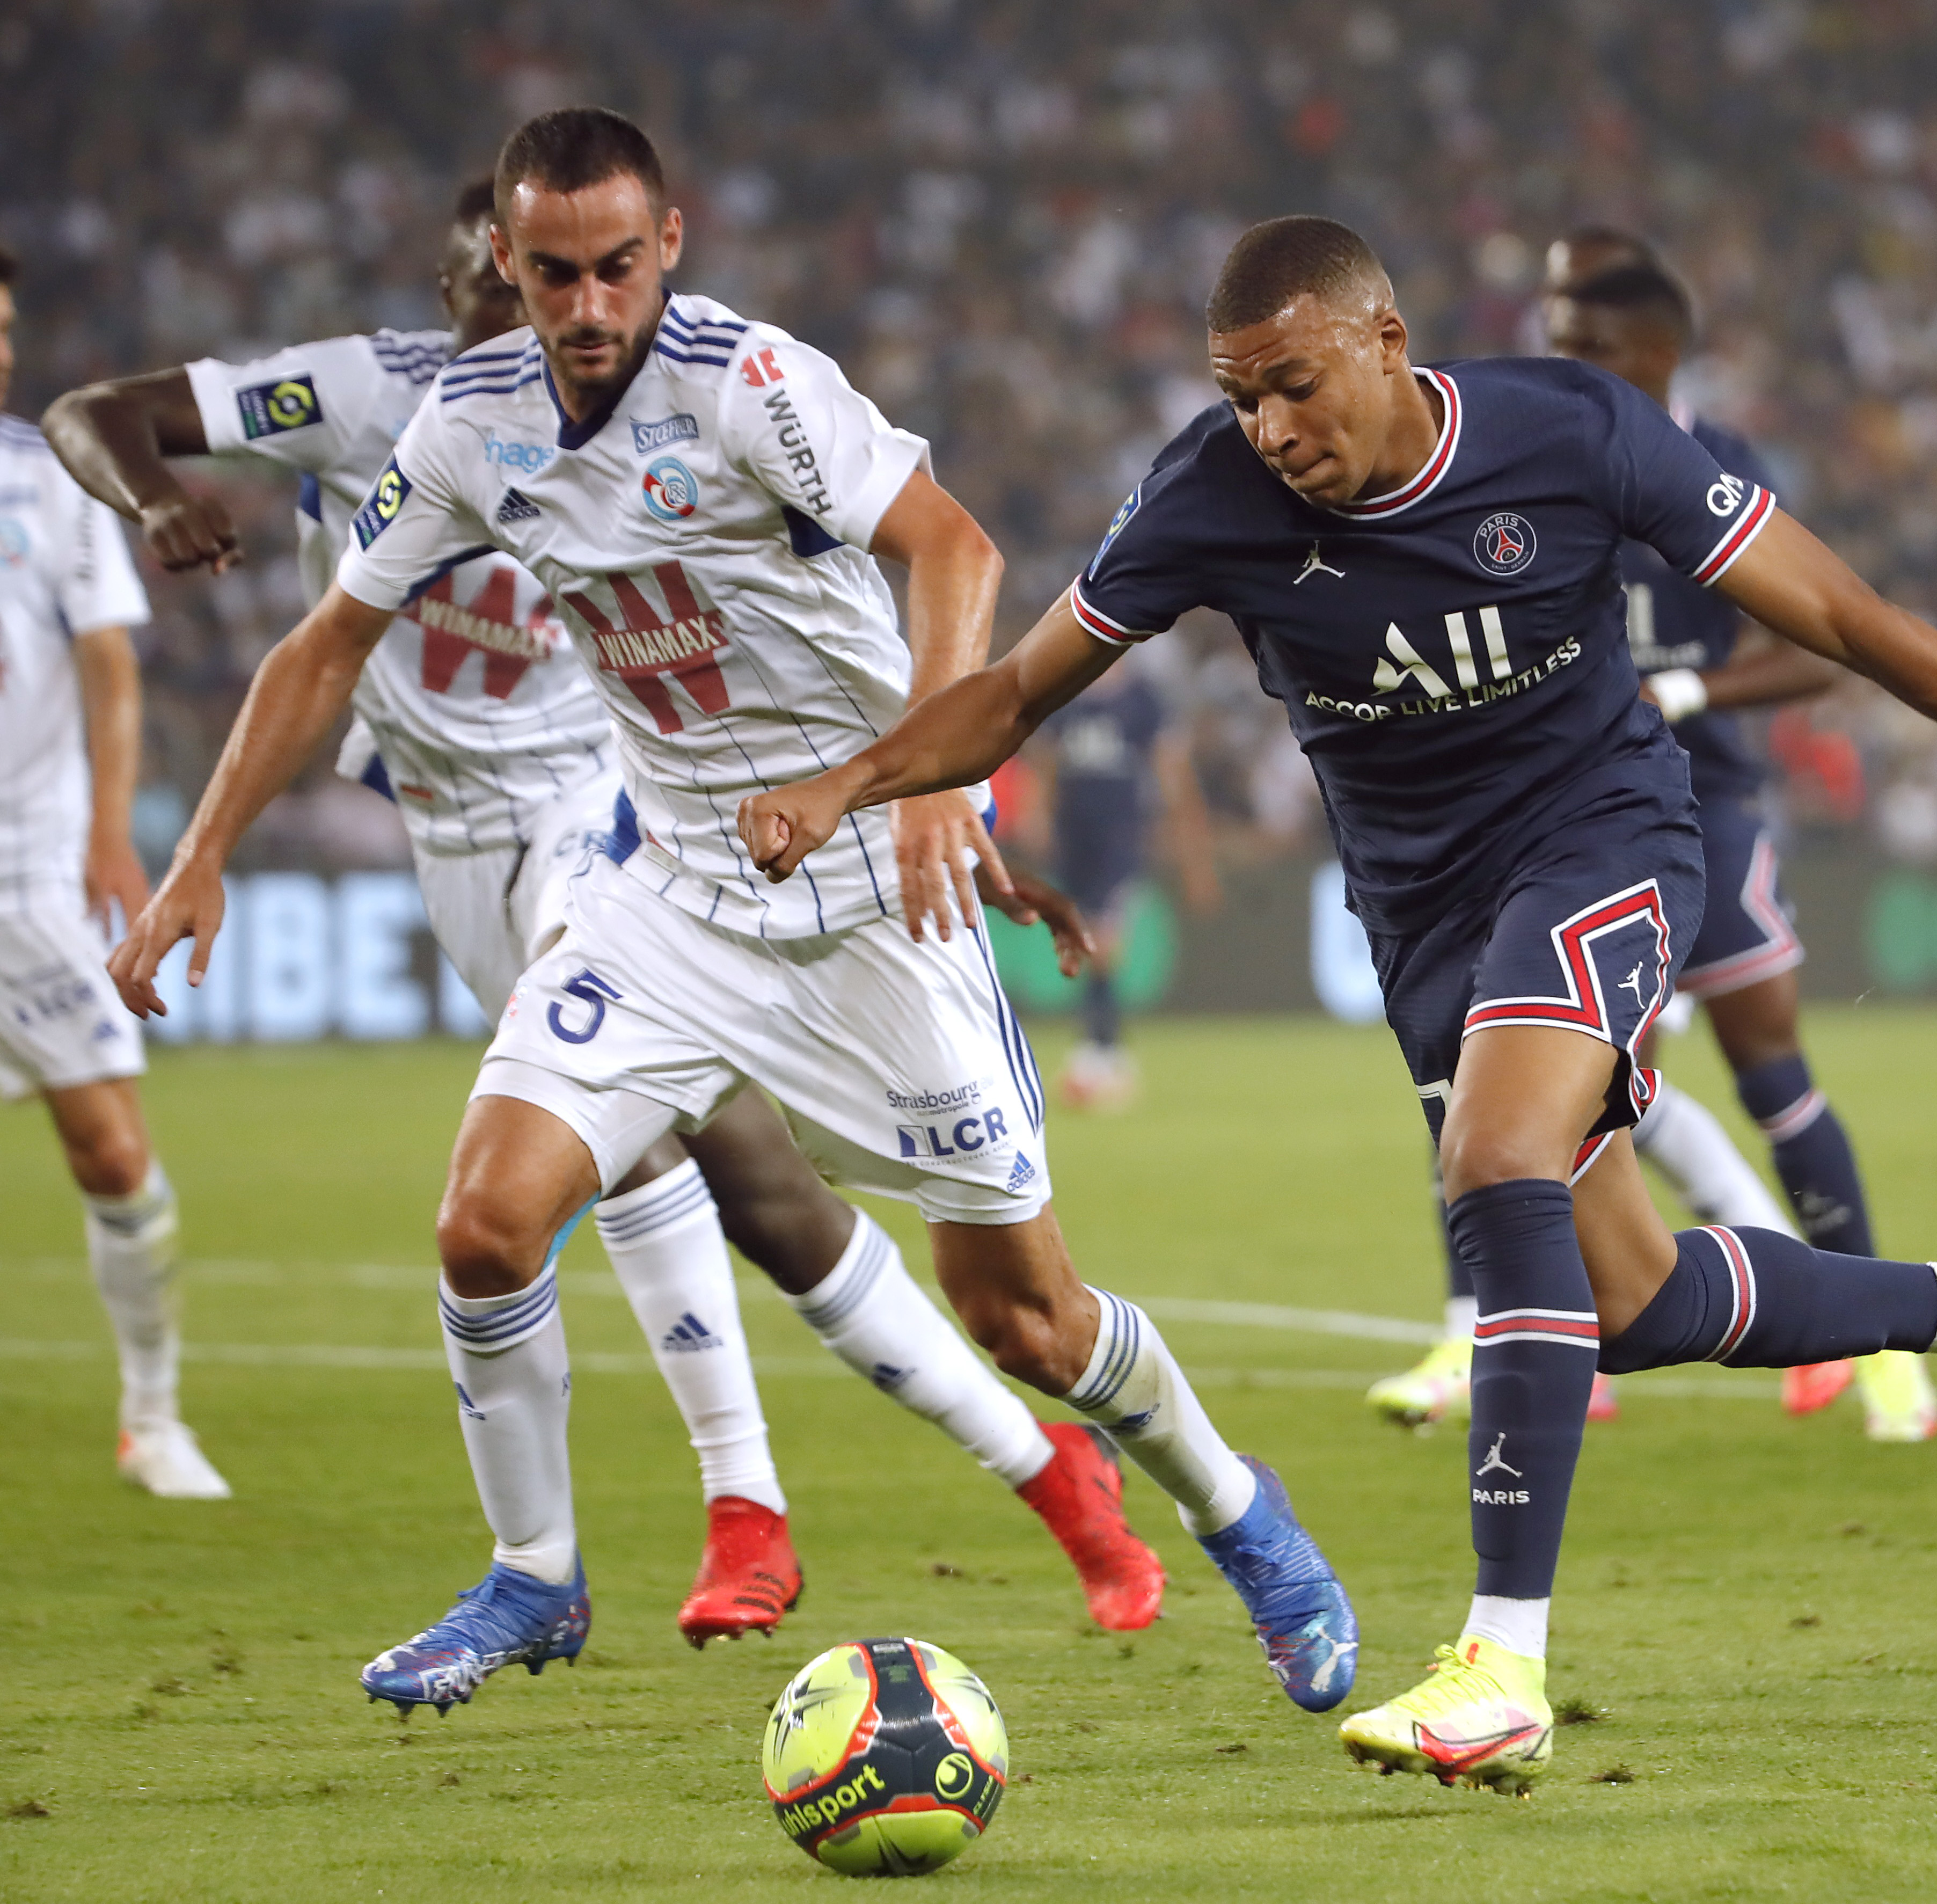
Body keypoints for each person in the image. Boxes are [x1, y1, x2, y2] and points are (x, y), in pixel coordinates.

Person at [734, 215, 1937, 1791]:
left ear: (1386, 340)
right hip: (1424, 918)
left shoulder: (1568, 433)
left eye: (1295, 387)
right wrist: (850, 781)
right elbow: (1016, 692)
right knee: (1632, 1305)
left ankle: (1501, 1661)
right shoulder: (1208, 495)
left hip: (1606, 838)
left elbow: (1845, 620)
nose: (1272, 432)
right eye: (1242, 398)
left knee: (1497, 1168)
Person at [104, 111, 1346, 1715]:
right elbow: (326, 646)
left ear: (668, 245)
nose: (590, 302)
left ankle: (1244, 1518)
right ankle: (535, 1578)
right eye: (552, 272)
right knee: (486, 1224)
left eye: (619, 265)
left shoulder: (753, 384)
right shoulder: (468, 422)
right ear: (508, 264)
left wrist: (918, 791)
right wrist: (202, 849)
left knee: (1029, 1320)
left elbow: (951, 549)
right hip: (673, 893)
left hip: (869, 899)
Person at [1368, 239, 1935, 1443]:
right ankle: (1507, 1326)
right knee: (1513, 1069)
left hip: (1704, 804)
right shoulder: (1515, 454)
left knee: (1769, 1065)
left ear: (1654, 357)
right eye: (1552, 336)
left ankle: (1886, 1348)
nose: (1556, 362)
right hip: (1567, 815)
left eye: (1583, 345)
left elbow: (1820, 643)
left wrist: (1688, 696)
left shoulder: (1711, 465)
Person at [0, 242, 226, 1500]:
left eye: (7, 327)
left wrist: (104, 828)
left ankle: (152, 1415)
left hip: (27, 873)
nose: (3, 349)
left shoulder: (41, 483)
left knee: (111, 1152)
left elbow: (108, 663)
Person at [1011, 647, 1218, 1110]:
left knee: (1105, 940)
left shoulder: (1144, 699)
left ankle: (1100, 1050)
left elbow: (1170, 770)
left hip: (1121, 837)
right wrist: (1035, 815)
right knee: (1085, 940)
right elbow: (1043, 761)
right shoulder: (1066, 693)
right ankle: (1104, 1048)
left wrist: (1190, 851)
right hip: (1072, 839)